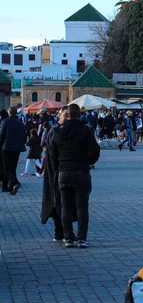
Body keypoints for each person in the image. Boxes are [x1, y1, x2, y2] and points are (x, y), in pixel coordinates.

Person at [50, 104, 100, 248]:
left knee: (65, 206)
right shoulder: (85, 131)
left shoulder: (58, 131)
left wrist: (58, 168)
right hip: (81, 172)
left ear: (66, 115)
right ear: (80, 115)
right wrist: (88, 162)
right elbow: (95, 151)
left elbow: (53, 154)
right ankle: (82, 239)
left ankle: (68, 239)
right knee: (82, 207)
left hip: (63, 172)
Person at [41, 107, 68, 242]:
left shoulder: (68, 130)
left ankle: (65, 233)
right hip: (56, 172)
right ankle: (61, 232)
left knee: (64, 202)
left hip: (63, 171)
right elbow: (49, 151)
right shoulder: (55, 130)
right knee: (59, 200)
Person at [0, 107, 26, 195]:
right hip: (17, 149)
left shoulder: (5, 122)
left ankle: (15, 183)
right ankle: (10, 188)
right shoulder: (20, 123)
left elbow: (1, 136)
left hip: (6, 148)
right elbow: (24, 137)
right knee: (13, 168)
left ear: (9, 112)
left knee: (6, 168)